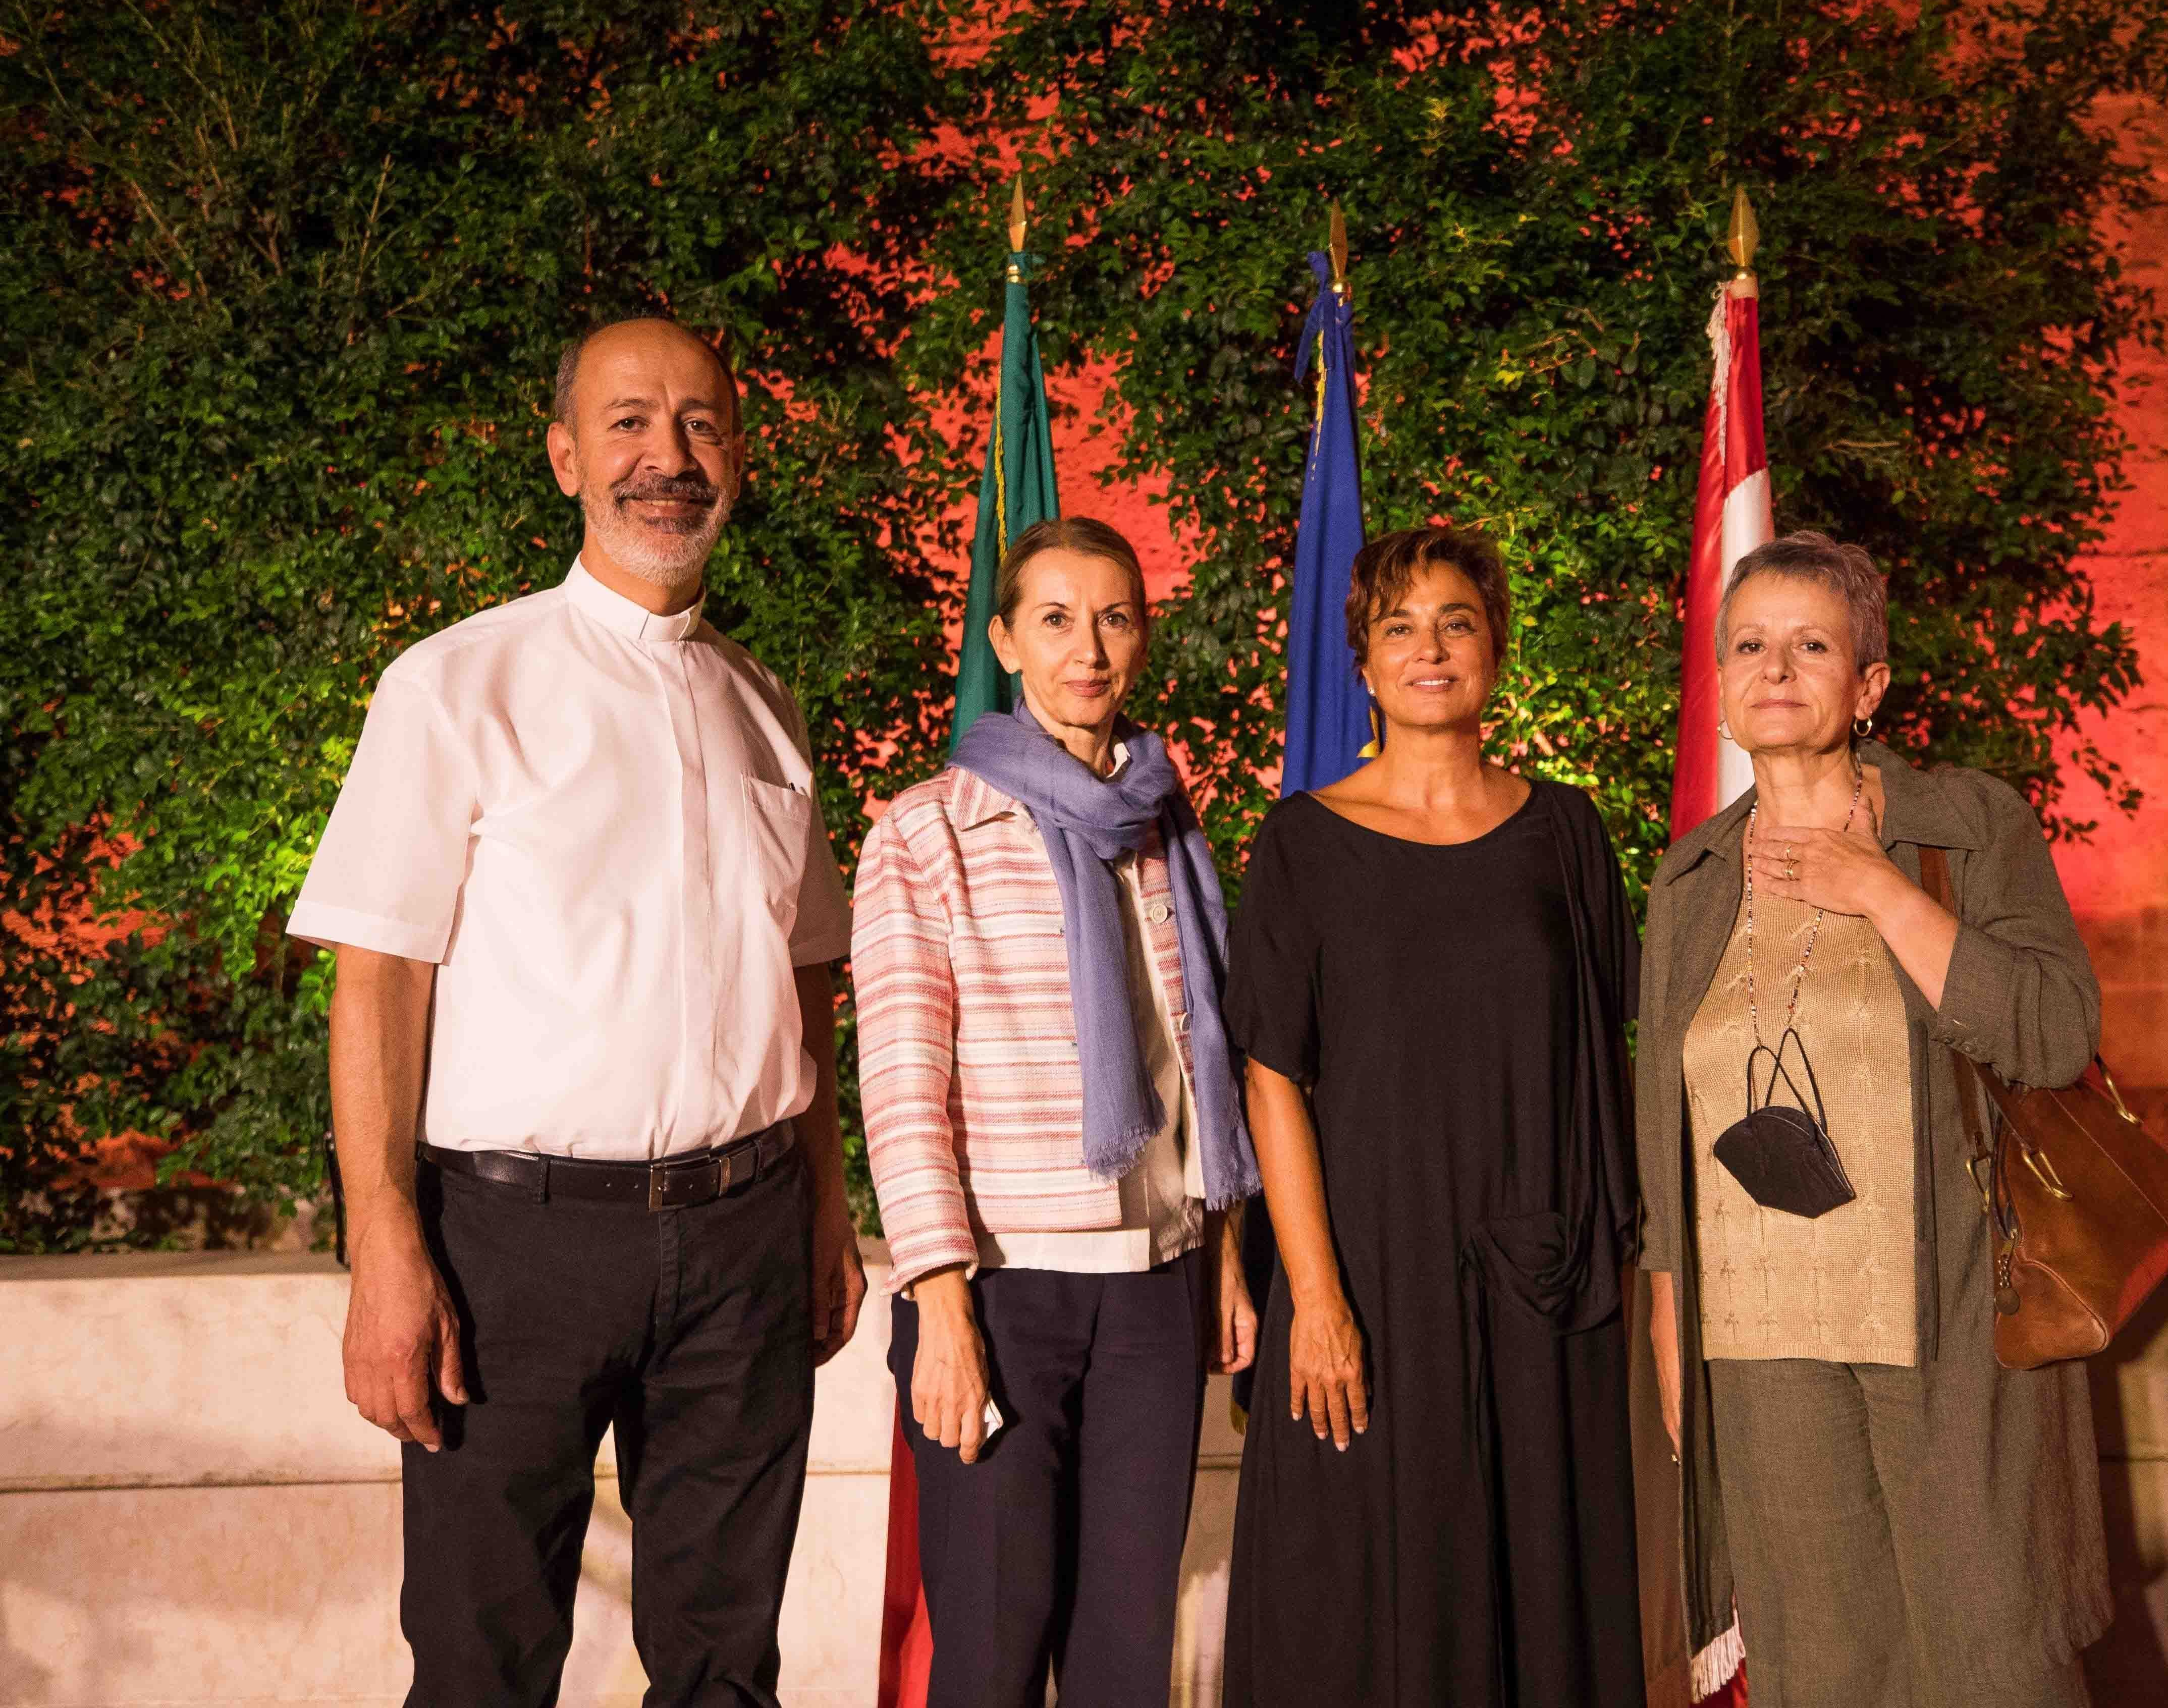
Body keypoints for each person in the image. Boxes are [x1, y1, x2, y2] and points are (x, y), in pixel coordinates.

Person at [291, 316, 866, 1705]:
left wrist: (826, 1204)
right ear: (564, 459)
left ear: (739, 458)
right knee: (483, 1666)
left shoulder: (767, 706)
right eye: (629, 424)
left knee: (726, 1670)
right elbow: (379, 975)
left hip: (744, 1241)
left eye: (701, 424)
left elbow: (804, 981)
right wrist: (383, 1242)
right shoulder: (454, 685)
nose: (669, 457)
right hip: (512, 1252)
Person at [1636, 530, 2111, 1706]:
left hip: (1946, 1318)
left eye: (1812, 646)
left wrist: (1886, 895)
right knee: (1823, 1672)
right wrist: (1671, 1328)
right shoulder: (1689, 883)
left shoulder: (1965, 828)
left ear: (1869, 686)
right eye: (1750, 646)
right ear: (1722, 685)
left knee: (1996, 1659)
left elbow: (2055, 1031)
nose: (1776, 668)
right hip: (1760, 1344)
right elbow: (1666, 1132)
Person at [1222, 525, 1647, 1708]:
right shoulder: (1302, 843)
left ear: (1495, 650)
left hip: (1539, 1280)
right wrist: (1315, 1300)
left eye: (1457, 622)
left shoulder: (1567, 833)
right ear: (1362, 663)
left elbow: (1608, 1059)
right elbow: (1271, 1080)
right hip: (1370, 1272)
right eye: (1399, 627)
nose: (1431, 648)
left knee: (1542, 1592)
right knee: (1361, 1595)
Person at [852, 515, 1263, 1708]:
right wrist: (941, 1307)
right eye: (1056, 620)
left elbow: (1199, 1061)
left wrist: (1222, 1255)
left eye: (1114, 619)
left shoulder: (1166, 826)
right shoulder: (928, 831)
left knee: (1124, 1661)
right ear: (1006, 642)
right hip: (1000, 1291)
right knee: (989, 1655)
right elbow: (902, 1089)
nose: (1088, 649)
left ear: (1141, 637)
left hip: (1157, 1289)